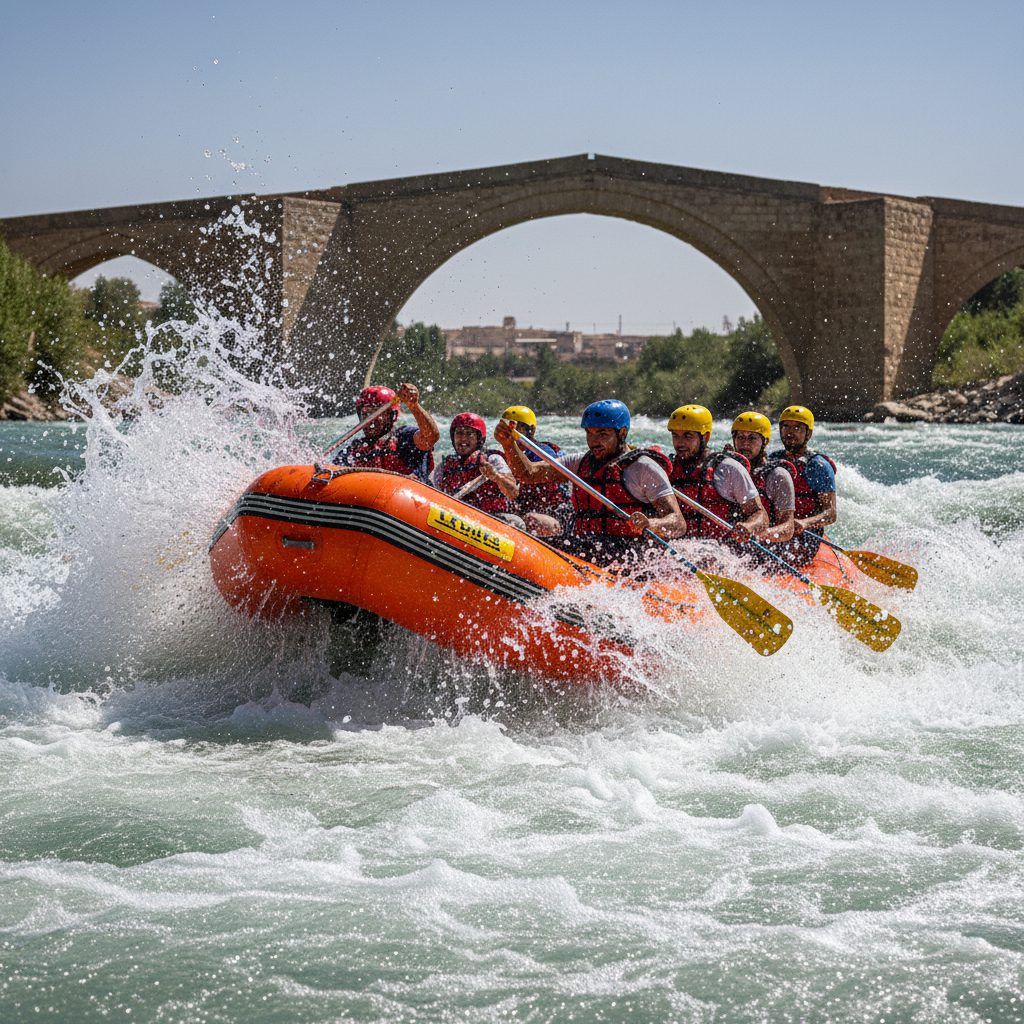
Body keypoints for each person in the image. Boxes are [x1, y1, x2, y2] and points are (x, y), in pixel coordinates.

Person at [495, 398, 684, 568]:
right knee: (534, 544)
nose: (594, 441)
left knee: (581, 546)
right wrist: (508, 444)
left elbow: (677, 522)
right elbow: (529, 473)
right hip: (585, 546)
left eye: (602, 434)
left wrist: (651, 524)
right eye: (590, 433)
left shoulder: (643, 468)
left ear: (622, 433)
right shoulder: (579, 463)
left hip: (629, 554)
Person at [667, 404, 767, 545]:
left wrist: (749, 527)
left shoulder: (728, 468)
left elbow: (760, 515)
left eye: (687, 436)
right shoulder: (667, 470)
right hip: (678, 550)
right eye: (675, 435)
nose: (680, 443)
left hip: (721, 550)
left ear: (705, 437)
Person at [769, 404, 837, 565]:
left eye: (797, 427)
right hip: (776, 529)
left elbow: (830, 513)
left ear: (809, 434)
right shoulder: (774, 459)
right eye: (785, 426)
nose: (790, 432)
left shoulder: (818, 466)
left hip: (805, 536)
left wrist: (805, 523)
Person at [333, 382, 439, 481]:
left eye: (374, 413)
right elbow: (334, 471)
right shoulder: (356, 449)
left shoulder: (405, 437)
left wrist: (413, 406)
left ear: (391, 416)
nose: (369, 420)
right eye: (365, 414)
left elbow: (431, 437)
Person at [432, 412, 522, 525]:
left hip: (493, 520)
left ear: (479, 438)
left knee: (516, 522)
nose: (463, 438)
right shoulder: (443, 468)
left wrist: (496, 476)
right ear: (453, 437)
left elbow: (513, 492)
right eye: (459, 433)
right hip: (458, 522)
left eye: (469, 434)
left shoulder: (493, 460)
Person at [498, 404, 572, 538]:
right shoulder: (501, 457)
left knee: (530, 519)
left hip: (553, 516)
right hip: (522, 513)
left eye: (516, 427)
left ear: (530, 430)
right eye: (507, 427)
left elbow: (530, 472)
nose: (510, 432)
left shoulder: (543, 452)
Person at [730, 411, 796, 546]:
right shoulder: (726, 470)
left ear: (764, 441)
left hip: (765, 547)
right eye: (740, 437)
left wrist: (756, 534)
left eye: (752, 438)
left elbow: (788, 528)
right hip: (732, 544)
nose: (745, 444)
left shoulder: (778, 475)